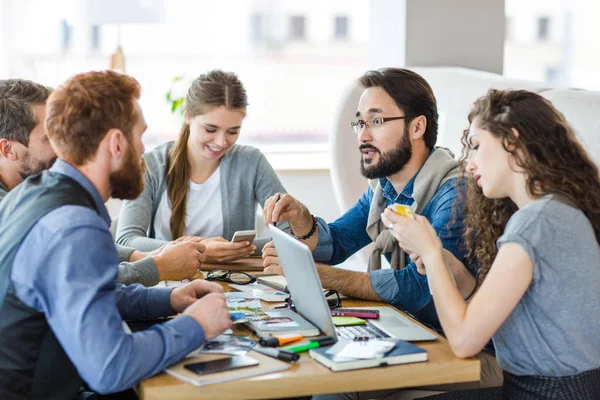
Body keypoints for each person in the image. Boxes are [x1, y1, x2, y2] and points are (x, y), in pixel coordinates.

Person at [262, 68, 502, 391]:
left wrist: (315, 275)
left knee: (333, 381)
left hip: (468, 356)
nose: (363, 135)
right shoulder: (384, 188)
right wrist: (303, 219)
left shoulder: (455, 193)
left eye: (376, 121)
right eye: (360, 122)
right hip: (419, 332)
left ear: (417, 126)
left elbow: (418, 287)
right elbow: (337, 243)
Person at [0, 70, 232, 399]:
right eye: (140, 137)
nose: (143, 153)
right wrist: (196, 325)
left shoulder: (34, 193)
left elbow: (88, 294)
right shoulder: (75, 224)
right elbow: (111, 367)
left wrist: (169, 299)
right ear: (116, 143)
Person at [384, 89, 600, 399]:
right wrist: (448, 269)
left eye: (475, 146)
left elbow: (462, 341)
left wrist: (431, 254)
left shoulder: (536, 223)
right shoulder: (556, 213)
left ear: (511, 141)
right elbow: (507, 314)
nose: (468, 164)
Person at [0, 78, 202, 286]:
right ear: (7, 150)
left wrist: (142, 257)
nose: (63, 148)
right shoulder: (26, 211)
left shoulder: (35, 194)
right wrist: (158, 267)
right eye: (50, 138)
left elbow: (83, 258)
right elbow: (84, 282)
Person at [116, 69, 287, 263]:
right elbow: (126, 241)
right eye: (210, 129)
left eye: (233, 131)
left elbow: (291, 235)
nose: (221, 142)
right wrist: (201, 250)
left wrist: (238, 250)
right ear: (188, 116)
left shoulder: (251, 163)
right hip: (164, 284)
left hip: (231, 286)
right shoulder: (152, 165)